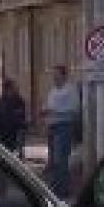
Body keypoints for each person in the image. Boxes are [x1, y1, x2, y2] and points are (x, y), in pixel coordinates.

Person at [42, 65, 80, 198]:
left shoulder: (70, 90)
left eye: (57, 74)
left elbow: (75, 109)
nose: (54, 77)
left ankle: (62, 190)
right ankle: (54, 188)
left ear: (64, 76)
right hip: (52, 126)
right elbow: (49, 106)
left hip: (64, 126)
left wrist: (55, 111)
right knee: (52, 160)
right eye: (53, 75)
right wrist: (46, 111)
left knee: (61, 159)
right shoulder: (52, 91)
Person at [0, 79, 28, 157]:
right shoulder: (2, 101)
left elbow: (21, 115)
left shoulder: (18, 100)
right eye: (13, 87)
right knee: (5, 152)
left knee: (14, 153)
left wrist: (21, 127)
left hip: (14, 131)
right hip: (3, 132)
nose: (15, 89)